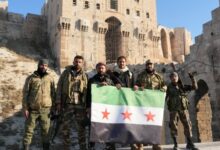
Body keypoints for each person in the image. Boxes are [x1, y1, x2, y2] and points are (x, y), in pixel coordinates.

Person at [22, 59, 56, 150]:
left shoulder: (50, 78)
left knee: (46, 132)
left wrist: (54, 108)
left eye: (45, 65)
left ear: (47, 67)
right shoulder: (31, 78)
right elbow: (25, 93)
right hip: (33, 110)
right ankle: (25, 147)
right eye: (42, 65)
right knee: (28, 131)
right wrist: (25, 108)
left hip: (46, 110)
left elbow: (53, 94)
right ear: (38, 65)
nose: (44, 67)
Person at [133, 59, 166, 150]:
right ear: (146, 65)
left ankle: (155, 144)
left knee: (155, 124)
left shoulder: (159, 76)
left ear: (153, 65)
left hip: (154, 104)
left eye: (151, 64)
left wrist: (164, 87)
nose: (149, 66)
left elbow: (164, 85)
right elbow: (136, 85)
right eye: (148, 64)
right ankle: (140, 145)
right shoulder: (141, 76)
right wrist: (136, 86)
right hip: (143, 103)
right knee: (141, 124)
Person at [56, 55, 88, 150]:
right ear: (73, 62)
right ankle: (66, 147)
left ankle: (83, 147)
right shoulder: (66, 73)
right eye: (76, 61)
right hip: (67, 104)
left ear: (82, 64)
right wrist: (58, 102)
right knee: (65, 127)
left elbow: (88, 89)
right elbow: (59, 87)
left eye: (79, 62)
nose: (77, 63)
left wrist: (87, 105)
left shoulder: (85, 75)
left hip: (80, 105)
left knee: (81, 128)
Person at [166, 72, 199, 150]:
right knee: (173, 126)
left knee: (188, 125)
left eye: (175, 76)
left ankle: (190, 143)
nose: (174, 78)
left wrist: (192, 78)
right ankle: (176, 144)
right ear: (170, 78)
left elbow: (195, 87)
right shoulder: (168, 88)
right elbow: (163, 97)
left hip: (183, 109)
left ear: (178, 77)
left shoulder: (182, 86)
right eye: (172, 77)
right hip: (173, 110)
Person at [86, 62, 115, 150]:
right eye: (99, 68)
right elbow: (88, 94)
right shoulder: (92, 80)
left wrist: (108, 86)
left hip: (107, 107)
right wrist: (88, 107)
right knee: (93, 126)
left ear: (105, 69)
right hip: (95, 107)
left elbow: (114, 92)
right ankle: (92, 145)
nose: (101, 69)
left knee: (108, 126)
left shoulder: (110, 80)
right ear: (96, 69)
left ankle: (109, 145)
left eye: (102, 68)